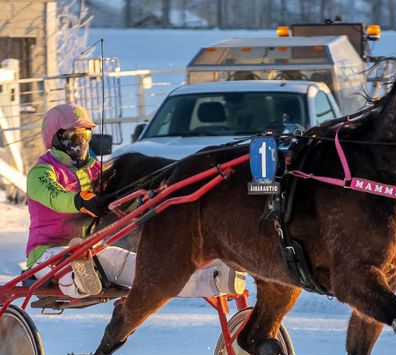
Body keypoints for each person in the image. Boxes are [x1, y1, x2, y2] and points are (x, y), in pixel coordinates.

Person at [26, 103, 245, 298]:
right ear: (55, 138)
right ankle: (78, 280)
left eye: (85, 136)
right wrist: (82, 201)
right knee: (103, 258)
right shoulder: (41, 172)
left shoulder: (95, 170)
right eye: (74, 136)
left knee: (143, 265)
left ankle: (214, 279)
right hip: (46, 253)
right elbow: (55, 197)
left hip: (92, 248)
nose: (80, 142)